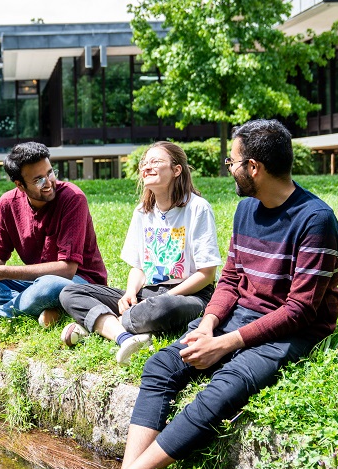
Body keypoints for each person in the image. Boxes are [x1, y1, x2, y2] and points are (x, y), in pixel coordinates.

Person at [65, 119, 338, 469]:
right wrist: (210, 324)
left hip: (290, 331)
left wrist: (227, 343)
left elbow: (300, 310)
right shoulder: (247, 209)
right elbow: (230, 279)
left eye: (231, 161)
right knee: (162, 365)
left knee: (217, 393)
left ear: (254, 168)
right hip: (238, 316)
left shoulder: (316, 220)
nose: (226, 168)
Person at [58, 142, 223, 365]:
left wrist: (166, 297)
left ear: (176, 170)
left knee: (162, 308)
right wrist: (130, 293)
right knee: (70, 292)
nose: (146, 167)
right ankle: (127, 333)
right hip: (148, 295)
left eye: (155, 162)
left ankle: (105, 326)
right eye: (144, 163)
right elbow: (139, 266)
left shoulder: (197, 208)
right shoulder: (142, 212)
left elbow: (207, 274)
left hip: (188, 296)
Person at [0, 141, 108, 328]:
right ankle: (38, 305)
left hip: (81, 282)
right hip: (35, 282)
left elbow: (67, 269)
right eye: (38, 180)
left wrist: (1, 273)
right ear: (20, 185)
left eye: (50, 173)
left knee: (48, 286)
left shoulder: (72, 198)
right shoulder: (7, 203)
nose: (48, 183)